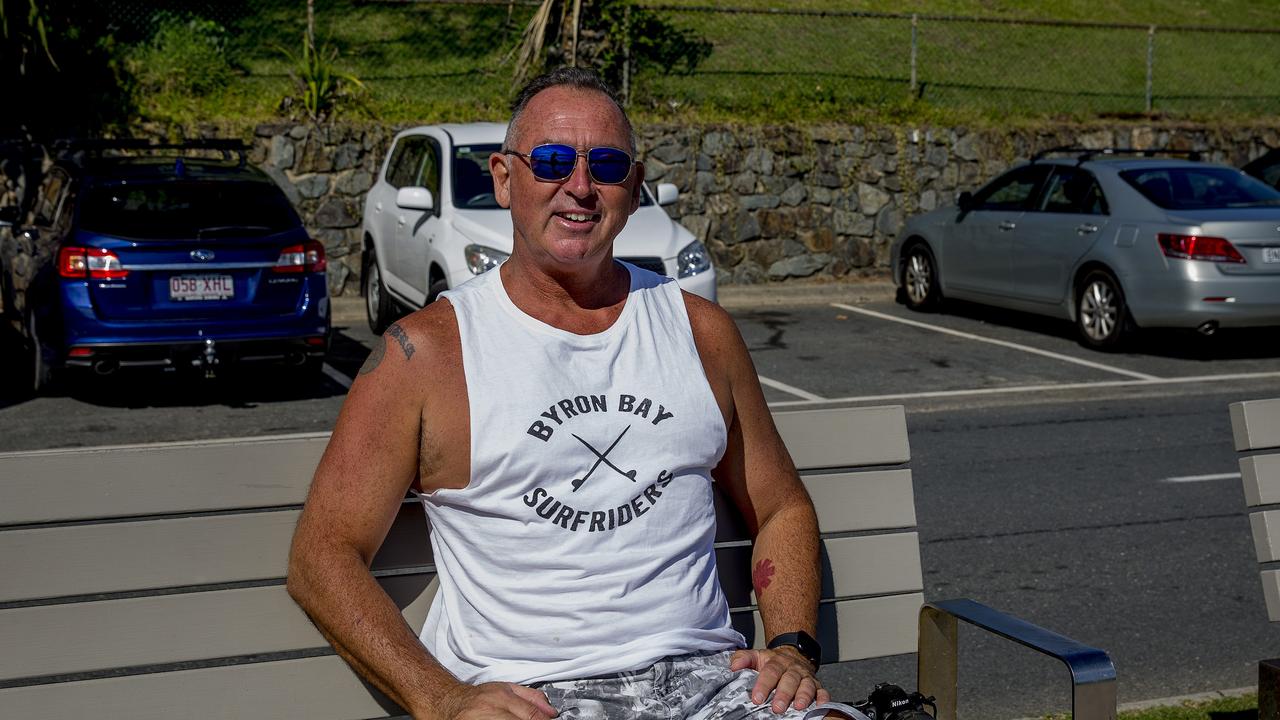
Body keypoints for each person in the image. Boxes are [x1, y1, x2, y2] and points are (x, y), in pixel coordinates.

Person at [287, 67, 837, 720]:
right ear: (503, 178)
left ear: (632, 187)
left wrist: (793, 648)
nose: (579, 187)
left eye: (605, 164)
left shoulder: (701, 332)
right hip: (535, 699)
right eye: (551, 161)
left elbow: (782, 509)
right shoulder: (429, 351)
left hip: (710, 686)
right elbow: (322, 556)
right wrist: (439, 697)